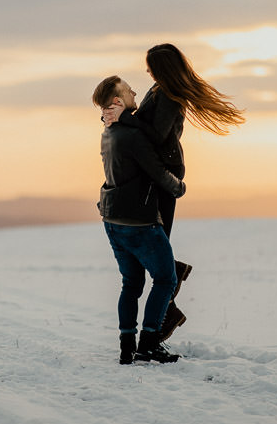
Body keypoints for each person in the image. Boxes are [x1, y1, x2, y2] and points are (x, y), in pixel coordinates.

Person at [103, 43, 245, 339]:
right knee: (154, 244)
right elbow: (142, 124)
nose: (146, 71)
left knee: (158, 242)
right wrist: (116, 118)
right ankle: (171, 291)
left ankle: (168, 308)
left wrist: (124, 119)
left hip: (166, 174)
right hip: (155, 174)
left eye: (150, 66)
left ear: (161, 68)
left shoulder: (169, 95)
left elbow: (156, 135)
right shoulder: (158, 89)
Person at [93, 75, 185, 364]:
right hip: (139, 221)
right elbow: (157, 171)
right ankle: (148, 344)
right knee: (166, 278)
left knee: (131, 283)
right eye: (128, 90)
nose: (135, 91)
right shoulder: (132, 135)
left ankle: (126, 347)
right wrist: (179, 187)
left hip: (113, 220)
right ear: (118, 101)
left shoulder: (107, 133)